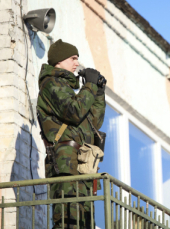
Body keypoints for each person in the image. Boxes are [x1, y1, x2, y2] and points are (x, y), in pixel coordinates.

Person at [36, 39, 106, 229]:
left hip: (82, 164)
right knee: (69, 221)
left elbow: (94, 122)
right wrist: (89, 86)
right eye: (72, 58)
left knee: (86, 222)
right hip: (65, 163)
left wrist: (98, 90)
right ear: (59, 61)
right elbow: (74, 112)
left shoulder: (69, 91)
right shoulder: (51, 84)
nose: (77, 63)